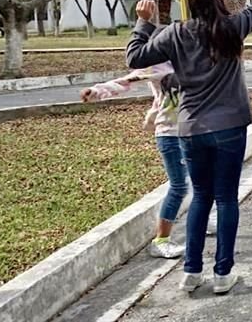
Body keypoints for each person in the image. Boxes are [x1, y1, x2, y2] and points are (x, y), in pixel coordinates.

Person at [126, 0, 252, 295]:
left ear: (190, 4)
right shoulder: (233, 26)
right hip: (230, 128)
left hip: (191, 129)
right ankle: (223, 273)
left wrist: (143, 22)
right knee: (226, 199)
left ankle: (191, 271)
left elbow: (135, 58)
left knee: (201, 197)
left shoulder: (174, 34)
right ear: (220, 0)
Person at [81, 60, 197, 259]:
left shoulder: (194, 57)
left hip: (194, 132)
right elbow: (125, 81)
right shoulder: (160, 66)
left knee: (202, 179)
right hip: (170, 134)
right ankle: (161, 241)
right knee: (179, 187)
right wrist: (96, 91)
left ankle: (203, 220)